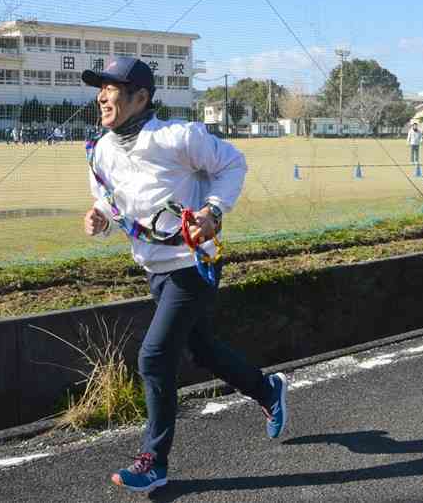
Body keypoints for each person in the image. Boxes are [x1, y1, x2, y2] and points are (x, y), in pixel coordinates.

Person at [82, 57, 288, 494]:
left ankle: (154, 461)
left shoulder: (178, 136)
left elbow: (232, 165)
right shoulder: (102, 150)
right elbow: (109, 195)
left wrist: (213, 212)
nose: (102, 96)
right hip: (154, 269)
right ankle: (267, 390)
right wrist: (99, 215)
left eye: (111, 88)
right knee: (202, 349)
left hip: (193, 266)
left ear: (140, 97)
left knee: (154, 357)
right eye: (99, 88)